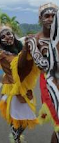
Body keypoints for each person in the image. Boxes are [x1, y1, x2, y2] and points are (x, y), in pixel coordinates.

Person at [0, 25, 40, 143]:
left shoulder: (19, 47)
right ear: (0, 41)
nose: (7, 37)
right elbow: (18, 66)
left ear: (13, 34)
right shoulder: (3, 54)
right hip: (12, 89)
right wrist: (26, 49)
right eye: (3, 37)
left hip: (24, 86)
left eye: (8, 34)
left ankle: (16, 138)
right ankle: (16, 139)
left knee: (27, 117)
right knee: (16, 118)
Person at [27, 3, 59, 142]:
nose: (50, 19)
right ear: (40, 18)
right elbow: (42, 64)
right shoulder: (35, 40)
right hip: (49, 83)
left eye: (54, 16)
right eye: (47, 16)